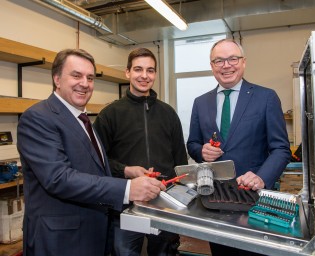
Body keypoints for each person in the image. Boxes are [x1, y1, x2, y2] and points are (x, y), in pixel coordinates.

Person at [17, 49, 165, 256]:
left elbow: (91, 168)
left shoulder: (84, 120)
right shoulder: (38, 118)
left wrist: (126, 172)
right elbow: (59, 178)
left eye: (90, 78)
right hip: (61, 240)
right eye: (76, 75)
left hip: (92, 233)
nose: (85, 83)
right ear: (57, 79)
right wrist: (127, 189)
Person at [187, 39, 291, 255]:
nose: (226, 65)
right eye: (219, 60)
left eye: (232, 59)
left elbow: (281, 149)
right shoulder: (200, 102)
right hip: (215, 199)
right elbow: (193, 144)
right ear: (212, 66)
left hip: (253, 198)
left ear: (243, 62)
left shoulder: (266, 97)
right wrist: (201, 151)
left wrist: (262, 177)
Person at [94, 48, 188, 256]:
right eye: (138, 69)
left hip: (164, 205)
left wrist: (179, 197)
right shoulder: (110, 114)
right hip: (124, 207)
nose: (144, 76)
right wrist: (125, 169)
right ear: (127, 73)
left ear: (155, 74)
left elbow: (180, 160)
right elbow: (97, 161)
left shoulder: (168, 114)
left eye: (150, 70)